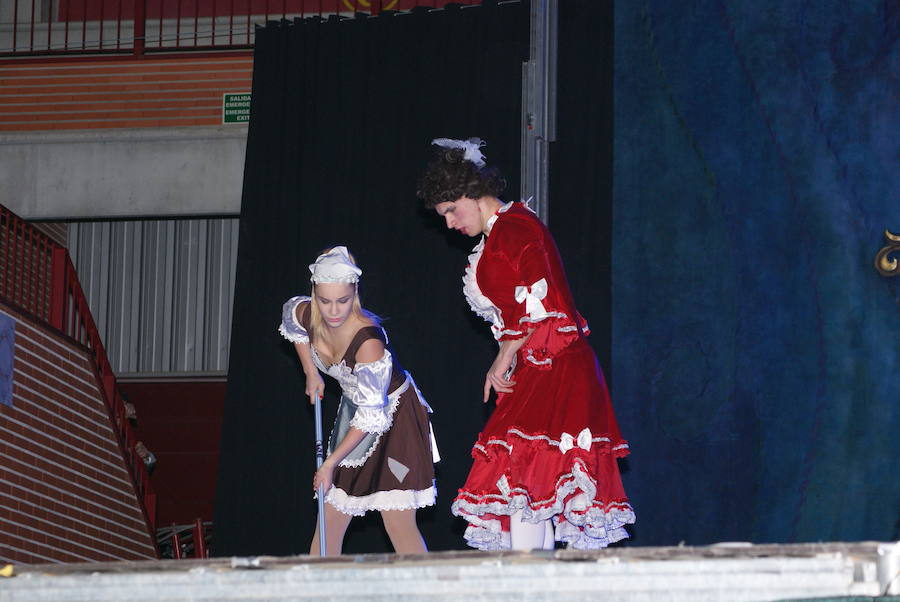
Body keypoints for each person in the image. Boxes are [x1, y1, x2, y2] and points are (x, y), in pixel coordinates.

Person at [416, 138, 635, 551]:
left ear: (469, 192)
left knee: (524, 490)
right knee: (527, 495)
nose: (448, 224)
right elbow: (522, 310)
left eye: (450, 211)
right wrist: (509, 354)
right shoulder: (500, 235)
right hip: (539, 370)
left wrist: (503, 354)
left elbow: (545, 298)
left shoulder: (516, 227)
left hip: (558, 366)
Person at [279, 246, 438, 556]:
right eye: (325, 301)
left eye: (343, 301)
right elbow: (291, 320)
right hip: (356, 412)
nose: (334, 311)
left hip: (394, 417)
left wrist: (330, 463)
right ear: (315, 294)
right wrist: (311, 372)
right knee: (330, 518)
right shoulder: (307, 313)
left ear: (355, 294)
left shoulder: (368, 340)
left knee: (398, 520)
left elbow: (371, 416)